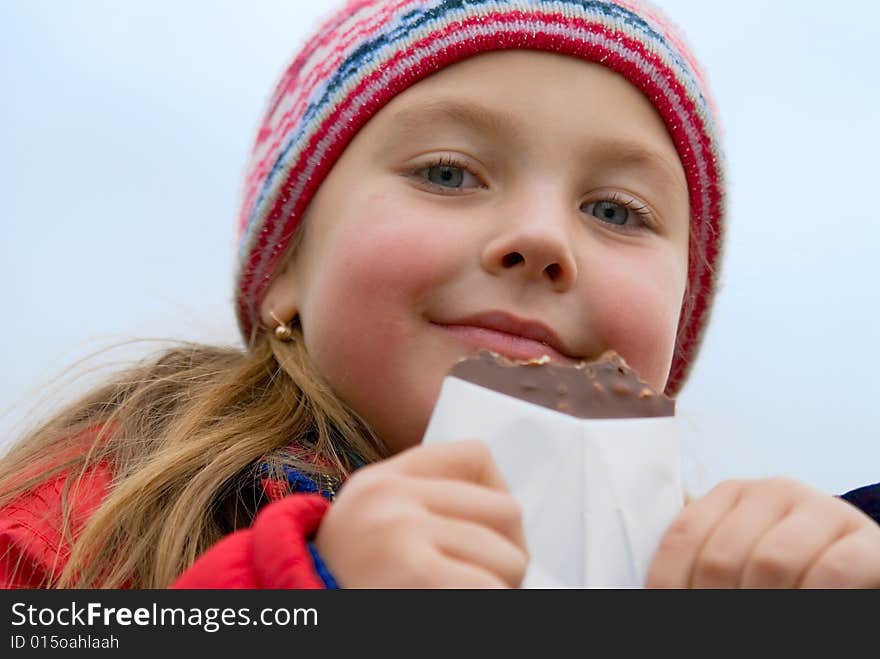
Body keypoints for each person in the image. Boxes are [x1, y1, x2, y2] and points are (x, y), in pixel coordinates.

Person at [1, 0, 878, 589]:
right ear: (282, 269)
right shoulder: (94, 502)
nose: (541, 239)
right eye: (450, 172)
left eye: (616, 209)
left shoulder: (705, 573)